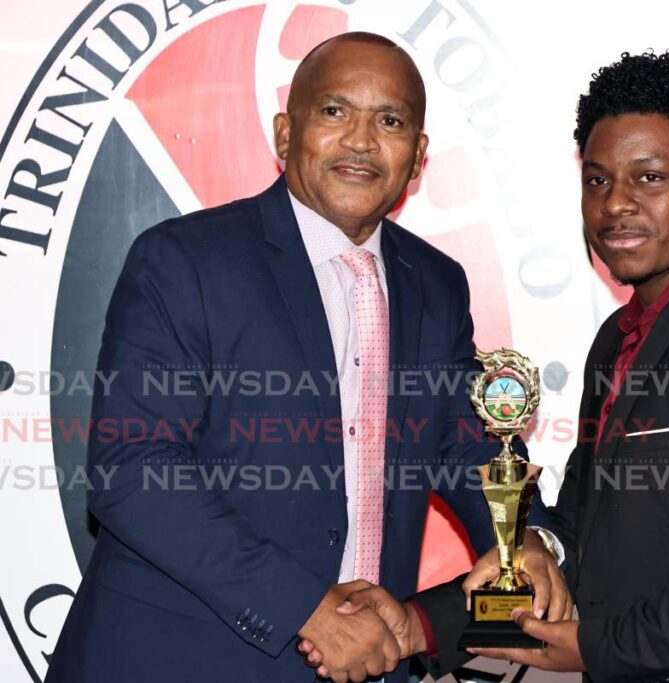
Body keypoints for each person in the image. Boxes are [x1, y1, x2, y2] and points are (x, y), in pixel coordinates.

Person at [306, 51, 669, 683]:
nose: (615, 204)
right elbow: (576, 538)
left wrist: (598, 647)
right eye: (597, 180)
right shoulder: (618, 339)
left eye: (648, 178)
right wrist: (420, 626)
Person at [45, 32, 565, 683]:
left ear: (419, 156)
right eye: (334, 111)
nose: (362, 140)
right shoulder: (184, 262)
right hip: (182, 660)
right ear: (285, 133)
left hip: (372, 663)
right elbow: (134, 470)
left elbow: (464, 443)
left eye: (391, 120)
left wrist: (523, 539)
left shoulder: (436, 283)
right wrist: (305, 609)